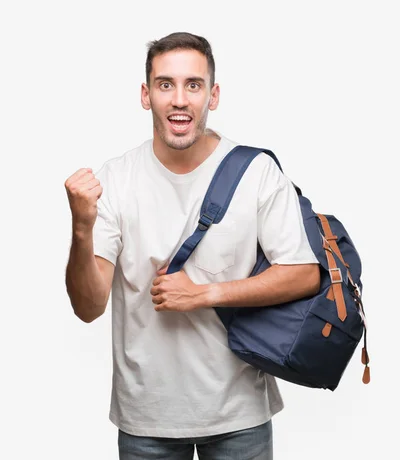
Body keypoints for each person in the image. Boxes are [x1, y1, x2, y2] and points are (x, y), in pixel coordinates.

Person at [64, 32, 320, 460]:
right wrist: (81, 229)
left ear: (213, 95)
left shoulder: (256, 172)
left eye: (193, 85)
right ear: (146, 96)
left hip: (239, 412)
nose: (179, 99)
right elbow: (88, 307)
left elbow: (303, 273)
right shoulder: (117, 178)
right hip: (147, 416)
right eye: (166, 84)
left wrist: (205, 294)